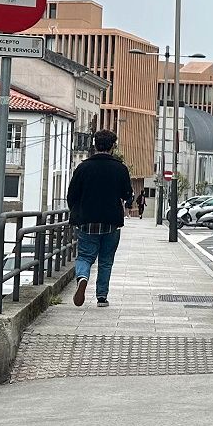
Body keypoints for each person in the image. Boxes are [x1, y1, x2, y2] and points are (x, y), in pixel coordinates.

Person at [66, 129, 135, 307]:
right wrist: (126, 204)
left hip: (87, 220)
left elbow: (72, 194)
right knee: (105, 261)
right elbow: (127, 194)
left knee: (84, 256)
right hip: (111, 222)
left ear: (95, 145)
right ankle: (101, 297)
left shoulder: (83, 167)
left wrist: (75, 211)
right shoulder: (120, 168)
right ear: (112, 146)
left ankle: (82, 278)